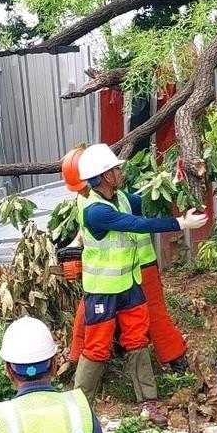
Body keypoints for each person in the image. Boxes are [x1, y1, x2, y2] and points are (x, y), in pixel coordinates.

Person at [72, 144, 208, 426]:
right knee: (96, 347)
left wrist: (175, 178)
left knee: (137, 341)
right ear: (106, 176)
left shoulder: (118, 197)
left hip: (129, 285)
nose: (121, 172)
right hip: (103, 290)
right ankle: (78, 408)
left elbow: (145, 199)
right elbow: (137, 224)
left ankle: (149, 403)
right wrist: (181, 223)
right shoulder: (96, 211)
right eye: (117, 169)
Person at [60, 147, 191, 375]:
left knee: (149, 315)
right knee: (91, 321)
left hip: (138, 266)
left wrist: (173, 181)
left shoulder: (116, 196)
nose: (81, 190)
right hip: (107, 278)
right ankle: (79, 365)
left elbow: (144, 204)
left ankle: (172, 359)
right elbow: (94, 223)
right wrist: (75, 245)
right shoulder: (90, 203)